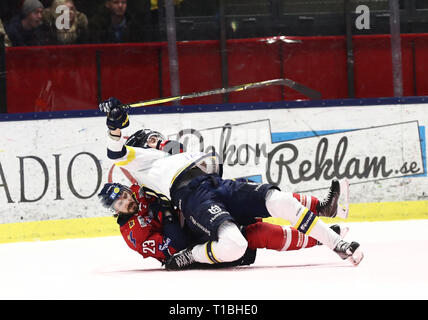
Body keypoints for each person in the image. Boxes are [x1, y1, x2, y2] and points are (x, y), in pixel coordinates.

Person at [98, 97, 364, 270]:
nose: (158, 141)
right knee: (248, 238)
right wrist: (114, 128)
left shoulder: (169, 154)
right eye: (153, 139)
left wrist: (128, 124)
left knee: (278, 200)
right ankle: (321, 229)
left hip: (213, 184)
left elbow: (203, 158)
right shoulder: (138, 161)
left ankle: (335, 241)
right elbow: (116, 153)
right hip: (193, 202)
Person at [98, 180, 349, 268]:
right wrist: (168, 214)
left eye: (123, 194)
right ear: (115, 211)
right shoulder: (134, 234)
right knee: (255, 233)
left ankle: (323, 208)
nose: (125, 200)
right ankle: (320, 238)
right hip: (192, 248)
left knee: (256, 198)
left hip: (196, 209)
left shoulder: (137, 191)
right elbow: (176, 245)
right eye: (119, 203)